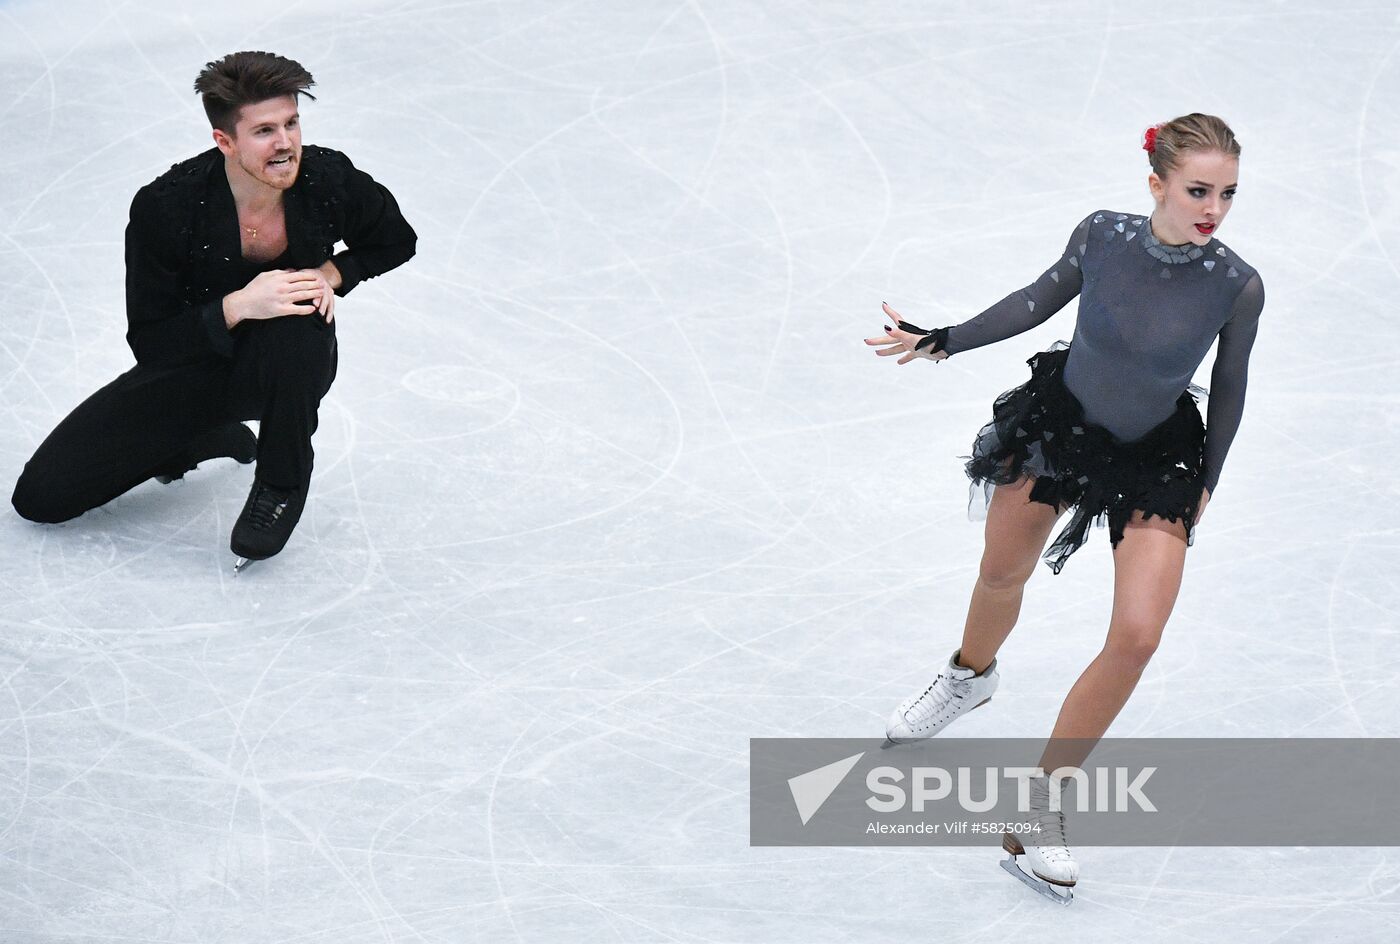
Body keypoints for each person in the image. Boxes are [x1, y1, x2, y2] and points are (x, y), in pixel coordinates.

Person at [865, 113, 1265, 902]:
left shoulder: (1236, 284)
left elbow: (1231, 384)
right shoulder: (1103, 236)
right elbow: (1033, 300)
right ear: (1157, 184)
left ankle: (1040, 807)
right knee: (1002, 573)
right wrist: (946, 338)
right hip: (1062, 428)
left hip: (1160, 457)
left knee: (1138, 635)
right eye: (1197, 190)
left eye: (1226, 193)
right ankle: (968, 677)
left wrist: (1209, 478)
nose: (1213, 206)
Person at [11, 51, 417, 569]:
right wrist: (238, 305)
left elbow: (394, 241)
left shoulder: (327, 179)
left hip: (288, 368)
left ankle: (279, 484)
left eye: (292, 123)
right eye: (265, 130)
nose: (286, 143)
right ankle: (203, 435)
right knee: (42, 498)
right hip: (190, 368)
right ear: (225, 141)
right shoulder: (167, 206)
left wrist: (328, 276)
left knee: (296, 323)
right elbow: (152, 343)